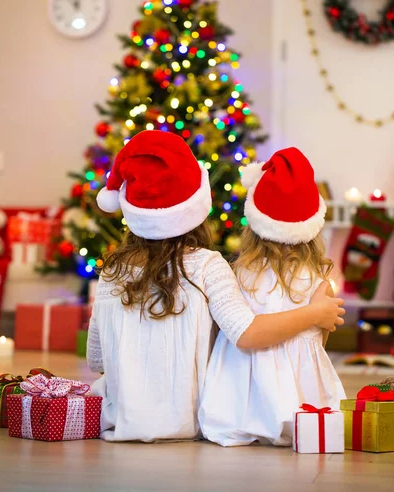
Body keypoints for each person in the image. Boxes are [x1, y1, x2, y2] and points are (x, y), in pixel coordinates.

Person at [87, 132, 345, 442]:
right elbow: (245, 332)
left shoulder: (112, 270)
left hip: (118, 419)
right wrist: (314, 314)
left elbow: (96, 359)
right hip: (188, 423)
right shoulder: (207, 265)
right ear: (197, 203)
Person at [199, 147, 346, 447]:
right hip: (301, 409)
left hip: (237, 407)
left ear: (254, 225)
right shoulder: (320, 282)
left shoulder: (236, 275)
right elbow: (318, 344)